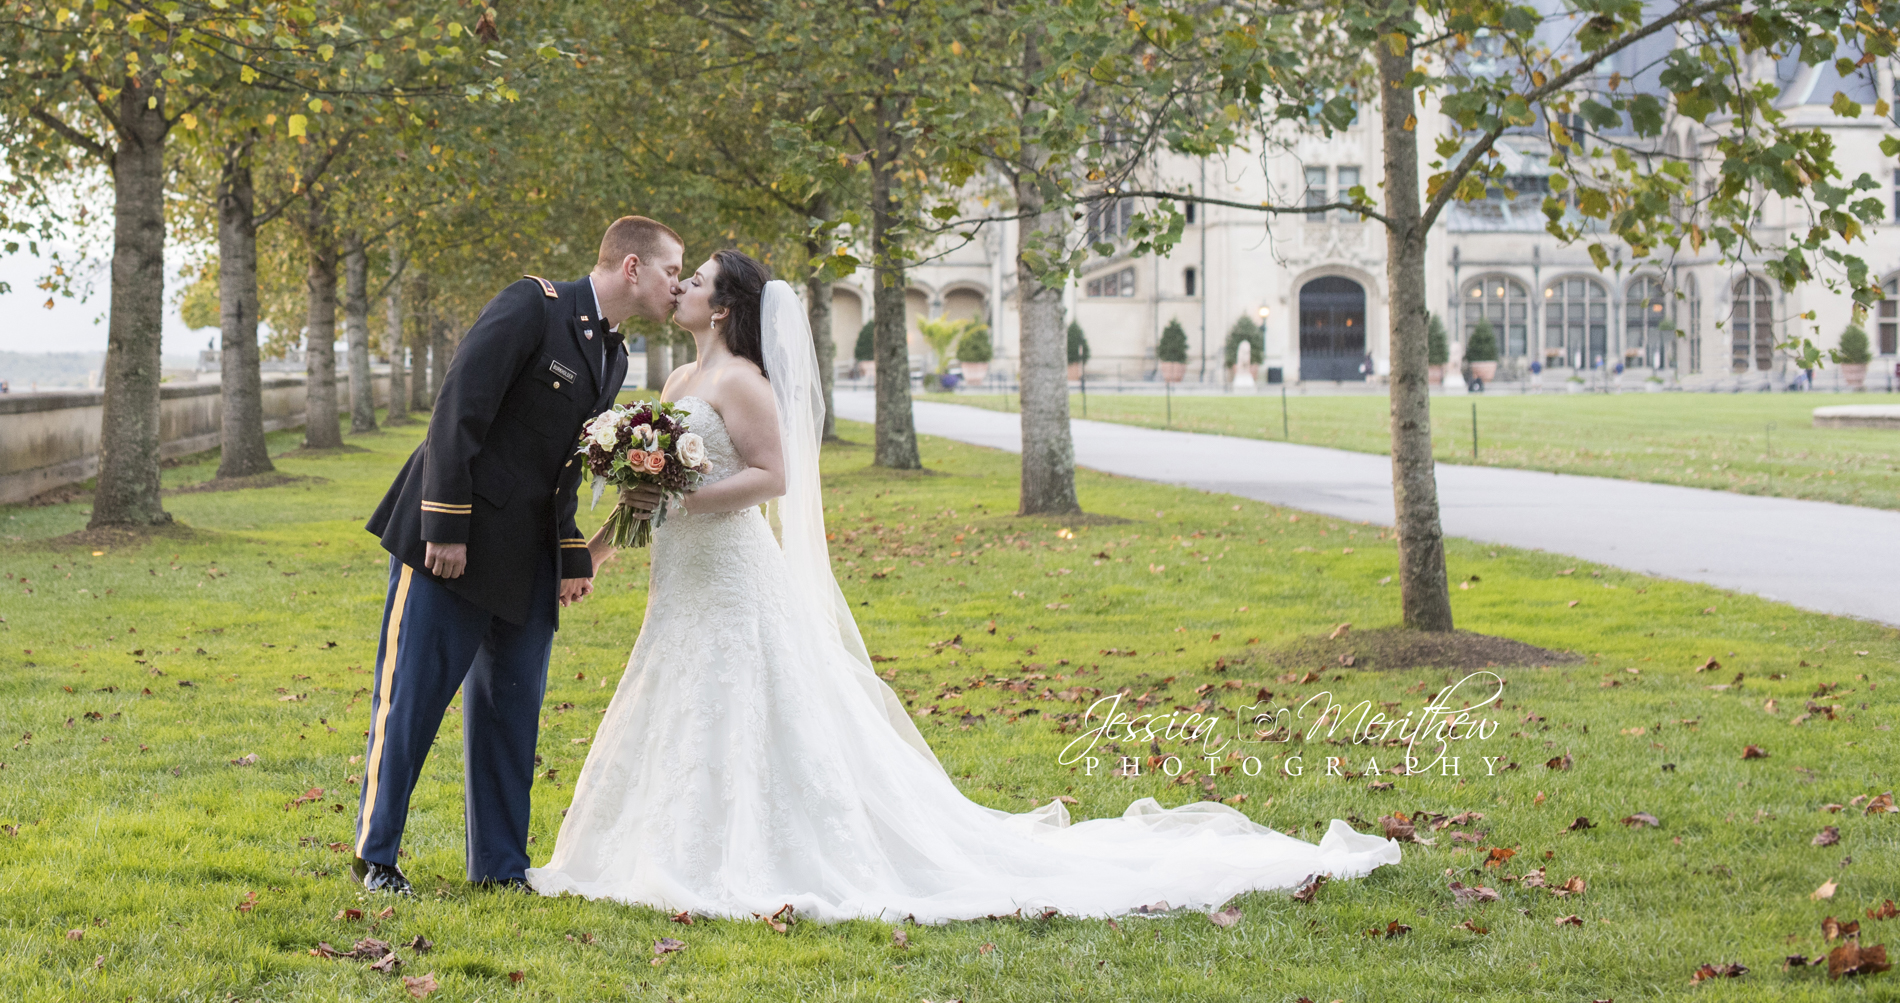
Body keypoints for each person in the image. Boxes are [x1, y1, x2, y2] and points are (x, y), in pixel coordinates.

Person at [526, 249, 1401, 923]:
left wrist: (686, 497)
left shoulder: (743, 382)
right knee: (674, 686)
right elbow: (655, 483)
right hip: (682, 575)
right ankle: (657, 842)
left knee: (742, 692)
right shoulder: (678, 379)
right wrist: (606, 543)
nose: (679, 287)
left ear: (722, 305)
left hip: (730, 570)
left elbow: (773, 478)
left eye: (697, 279)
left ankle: (741, 852)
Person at [352, 216, 684, 897]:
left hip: (527, 559)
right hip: (456, 543)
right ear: (631, 267)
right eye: (671, 270)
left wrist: (569, 559)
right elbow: (458, 408)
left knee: (511, 713)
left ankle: (500, 866)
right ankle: (376, 855)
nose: (677, 284)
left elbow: (560, 470)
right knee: (412, 699)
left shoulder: (611, 355)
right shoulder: (533, 304)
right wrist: (444, 523)